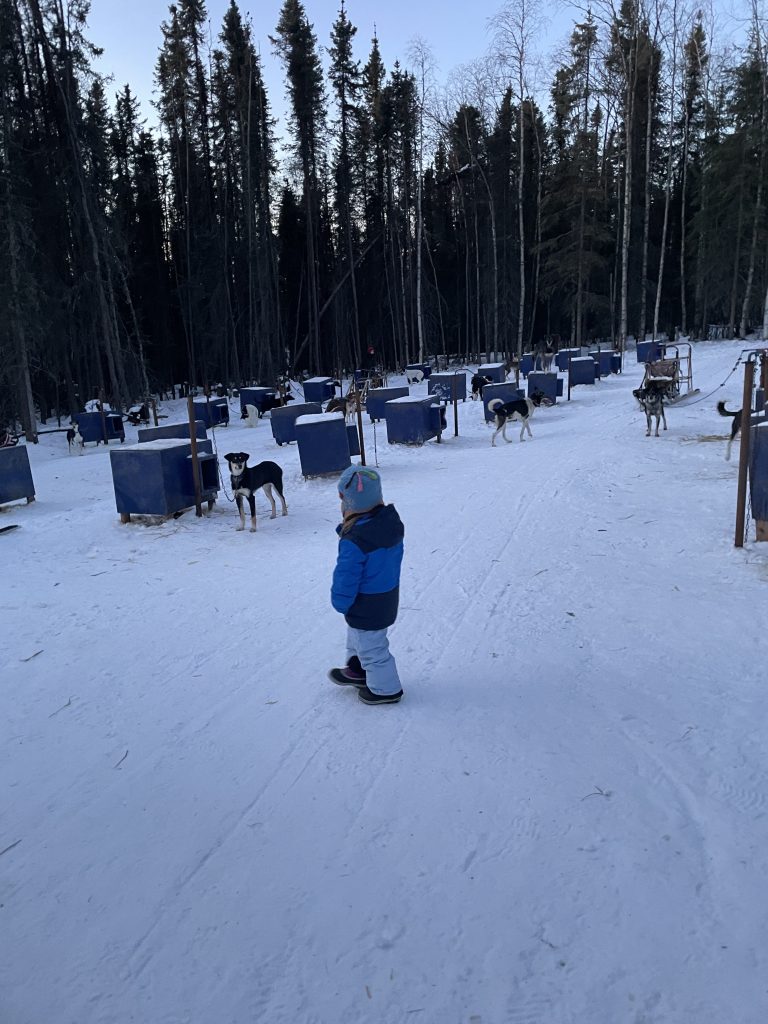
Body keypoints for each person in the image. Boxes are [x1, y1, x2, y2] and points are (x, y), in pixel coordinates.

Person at [328, 466, 405, 705]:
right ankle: (357, 669)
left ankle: (386, 690)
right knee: (358, 636)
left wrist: (340, 600)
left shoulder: (356, 539)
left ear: (348, 502)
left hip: (366, 602)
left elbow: (346, 576)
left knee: (373, 648)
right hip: (386, 597)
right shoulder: (388, 525)